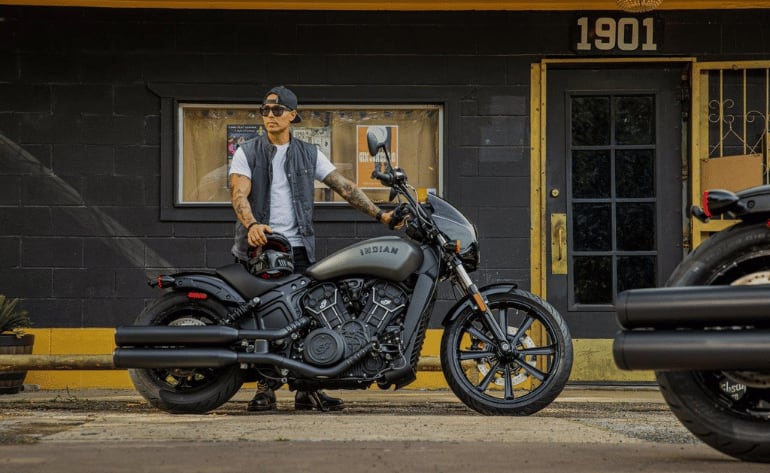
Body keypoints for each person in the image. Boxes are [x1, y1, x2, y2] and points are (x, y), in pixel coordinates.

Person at [229, 85, 393, 412]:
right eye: (265, 110)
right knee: (265, 320)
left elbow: (344, 187)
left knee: (309, 317)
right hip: (261, 249)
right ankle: (265, 390)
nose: (270, 116)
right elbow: (239, 193)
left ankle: (308, 389)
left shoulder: (308, 153)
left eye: (277, 110)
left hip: (299, 250)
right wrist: (252, 226)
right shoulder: (246, 151)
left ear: (292, 115)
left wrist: (381, 214)